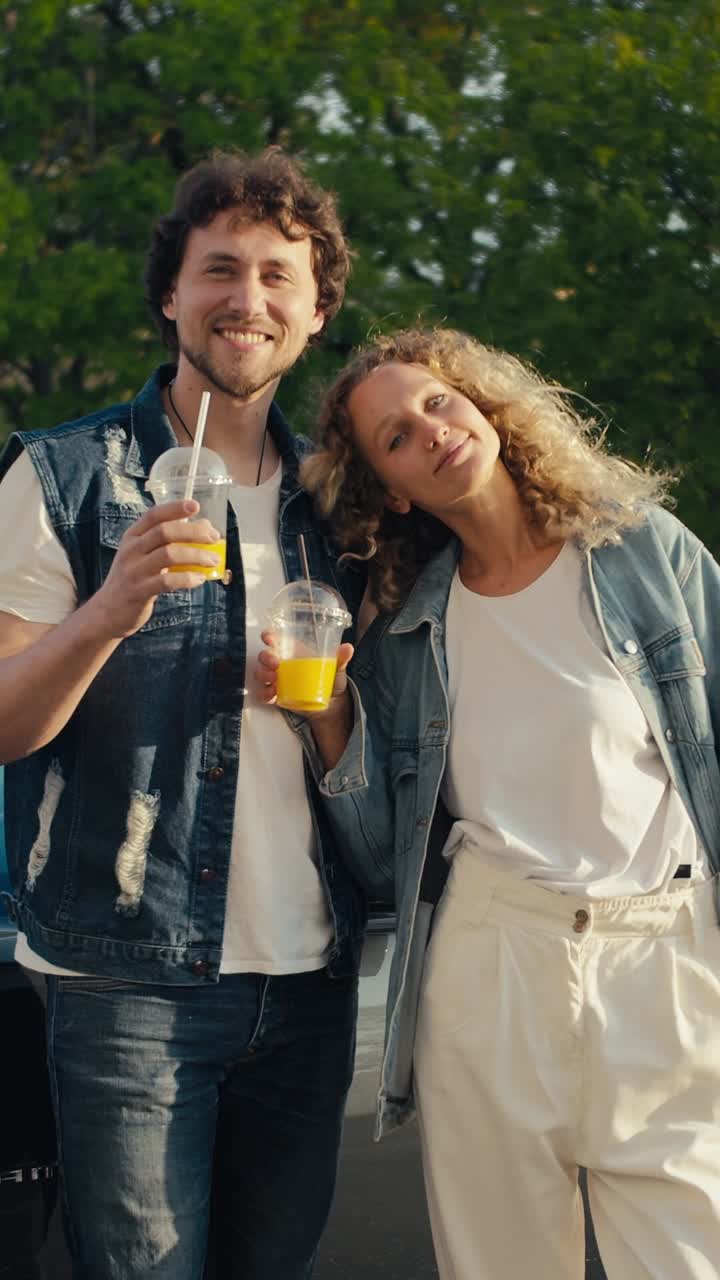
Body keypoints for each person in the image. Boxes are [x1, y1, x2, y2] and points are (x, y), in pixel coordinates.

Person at [256, 327, 720, 1279]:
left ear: (484, 404)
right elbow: (389, 856)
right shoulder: (410, 632)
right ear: (392, 489)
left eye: (437, 401)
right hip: (490, 969)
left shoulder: (643, 552)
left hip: (667, 960)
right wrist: (334, 716)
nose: (429, 430)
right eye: (394, 437)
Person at [0, 148, 366, 1280]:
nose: (244, 300)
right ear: (172, 293)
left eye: (275, 277)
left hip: (308, 985)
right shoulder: (63, 476)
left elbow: (372, 760)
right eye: (218, 269)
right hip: (128, 984)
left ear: (313, 315)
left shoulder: (348, 511)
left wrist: (327, 706)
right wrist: (110, 606)